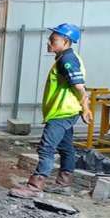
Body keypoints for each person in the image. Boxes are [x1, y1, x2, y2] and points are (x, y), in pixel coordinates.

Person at [11, 23, 92, 198]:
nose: (49, 42)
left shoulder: (67, 60)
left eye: (54, 40)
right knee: (66, 148)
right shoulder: (66, 57)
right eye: (50, 39)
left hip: (62, 112)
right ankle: (64, 184)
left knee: (46, 148)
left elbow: (79, 86)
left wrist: (86, 107)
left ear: (66, 41)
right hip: (66, 111)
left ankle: (35, 186)